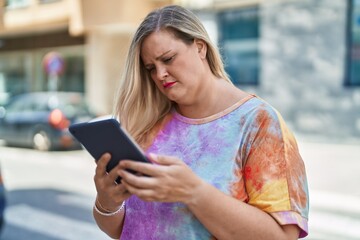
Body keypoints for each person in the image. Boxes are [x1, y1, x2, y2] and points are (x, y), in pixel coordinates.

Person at [92, 5, 309, 240]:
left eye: (168, 59)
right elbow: (125, 230)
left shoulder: (258, 122)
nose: (160, 74)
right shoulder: (149, 124)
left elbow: (283, 237)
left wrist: (193, 191)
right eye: (150, 68)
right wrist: (107, 203)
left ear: (200, 47)